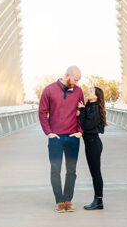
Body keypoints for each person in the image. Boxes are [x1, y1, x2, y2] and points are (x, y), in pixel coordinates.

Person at [38, 66, 85, 212]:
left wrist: (80, 131)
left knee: (71, 170)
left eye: (79, 80)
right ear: (67, 75)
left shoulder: (78, 91)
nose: (77, 83)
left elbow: (82, 112)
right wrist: (49, 132)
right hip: (56, 138)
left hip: (72, 137)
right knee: (55, 170)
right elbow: (42, 112)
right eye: (75, 79)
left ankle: (68, 200)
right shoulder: (49, 90)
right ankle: (59, 201)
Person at [78, 85, 106, 210]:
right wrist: (82, 111)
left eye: (91, 91)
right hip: (90, 143)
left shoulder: (94, 108)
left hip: (94, 143)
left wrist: (82, 111)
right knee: (94, 172)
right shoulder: (90, 106)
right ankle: (97, 200)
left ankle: (98, 201)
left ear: (96, 96)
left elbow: (86, 125)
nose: (88, 93)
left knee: (96, 173)